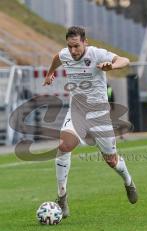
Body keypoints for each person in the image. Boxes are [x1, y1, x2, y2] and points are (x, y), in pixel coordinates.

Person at [43, 26, 138, 218]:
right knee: (64, 146)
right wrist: (50, 72)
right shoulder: (66, 54)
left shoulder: (97, 53)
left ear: (85, 42)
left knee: (111, 161)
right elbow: (57, 57)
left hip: (99, 115)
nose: (73, 51)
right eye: (70, 47)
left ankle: (128, 181)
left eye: (76, 46)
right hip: (76, 111)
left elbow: (124, 60)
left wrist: (112, 66)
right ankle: (62, 196)